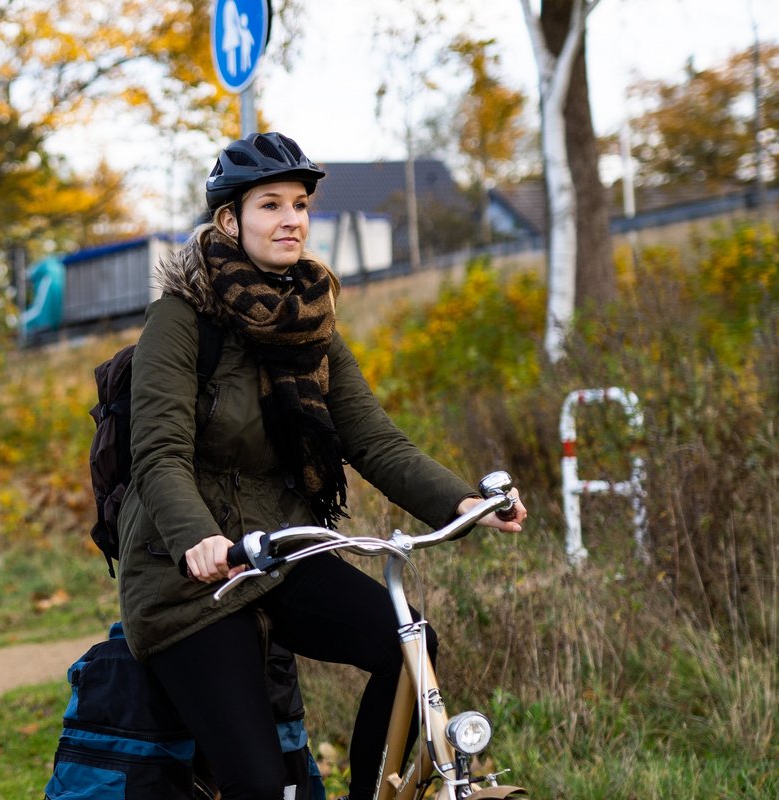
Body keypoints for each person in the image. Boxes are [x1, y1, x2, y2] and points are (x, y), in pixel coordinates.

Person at [115, 131, 527, 800]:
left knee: (409, 646)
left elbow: (371, 439)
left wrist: (459, 502)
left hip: (281, 550)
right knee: (255, 783)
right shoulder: (181, 319)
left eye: (300, 204)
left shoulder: (310, 319)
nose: (290, 220)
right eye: (270, 205)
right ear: (230, 220)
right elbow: (158, 455)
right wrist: (199, 540)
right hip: (189, 575)